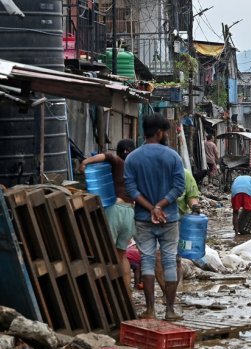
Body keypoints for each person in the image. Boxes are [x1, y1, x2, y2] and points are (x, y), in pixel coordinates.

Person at [124, 113, 185, 320]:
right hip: (170, 217)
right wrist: (160, 206)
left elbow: (131, 190)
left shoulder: (132, 157)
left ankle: (150, 310)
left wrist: (151, 208)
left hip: (143, 218)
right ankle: (169, 310)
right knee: (169, 261)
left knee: (147, 262)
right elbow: (179, 187)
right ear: (159, 133)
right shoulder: (173, 156)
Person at [79, 139, 136, 289]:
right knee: (122, 255)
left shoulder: (118, 161)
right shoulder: (135, 167)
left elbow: (105, 156)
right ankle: (126, 291)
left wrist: (85, 162)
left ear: (120, 151)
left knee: (106, 252)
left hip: (115, 209)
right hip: (130, 212)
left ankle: (108, 289)